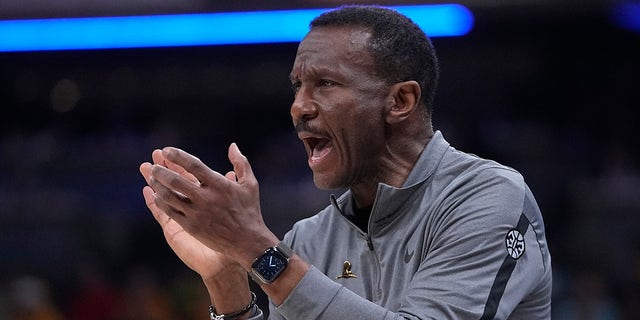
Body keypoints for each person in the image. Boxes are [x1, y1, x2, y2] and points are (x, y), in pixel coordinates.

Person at [139, 5, 552, 319]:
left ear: (400, 101)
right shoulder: (307, 240)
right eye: (298, 86)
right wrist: (225, 278)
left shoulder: (489, 198)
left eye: (325, 84)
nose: (299, 107)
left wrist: (253, 246)